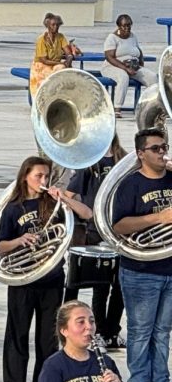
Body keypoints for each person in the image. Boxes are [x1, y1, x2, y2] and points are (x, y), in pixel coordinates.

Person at [0, 156, 93, 382]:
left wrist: (63, 197)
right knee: (17, 336)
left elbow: (87, 213)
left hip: (51, 277)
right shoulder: (12, 207)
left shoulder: (54, 203)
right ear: (25, 176)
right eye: (38, 176)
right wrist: (20, 241)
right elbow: (0, 246)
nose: (43, 180)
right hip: (23, 278)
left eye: (46, 176)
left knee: (48, 339)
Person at [111, 127, 172, 382]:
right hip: (141, 269)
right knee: (140, 329)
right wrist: (158, 217)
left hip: (169, 267)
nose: (163, 152)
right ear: (140, 154)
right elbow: (119, 225)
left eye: (164, 147)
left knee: (163, 330)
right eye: (156, 148)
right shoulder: (130, 185)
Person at [65, 134, 127, 348]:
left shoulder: (125, 161)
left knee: (120, 285)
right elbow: (69, 193)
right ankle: (99, 330)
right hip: (96, 229)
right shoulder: (89, 164)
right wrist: (83, 213)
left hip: (121, 229)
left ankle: (112, 331)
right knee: (101, 286)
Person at [101, 14, 155, 115]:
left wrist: (141, 64)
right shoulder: (112, 38)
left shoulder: (133, 36)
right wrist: (125, 68)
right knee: (123, 77)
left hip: (132, 66)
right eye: (124, 26)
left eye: (129, 25)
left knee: (152, 77)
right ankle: (117, 108)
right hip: (113, 66)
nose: (127, 28)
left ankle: (153, 106)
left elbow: (139, 51)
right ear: (119, 26)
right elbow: (109, 57)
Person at [30, 12, 82, 96]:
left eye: (57, 25)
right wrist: (61, 63)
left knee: (63, 69)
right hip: (42, 66)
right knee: (55, 75)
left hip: (54, 65)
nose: (56, 27)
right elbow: (44, 60)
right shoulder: (41, 39)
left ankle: (62, 95)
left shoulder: (61, 37)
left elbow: (67, 52)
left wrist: (69, 58)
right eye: (53, 25)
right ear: (48, 26)